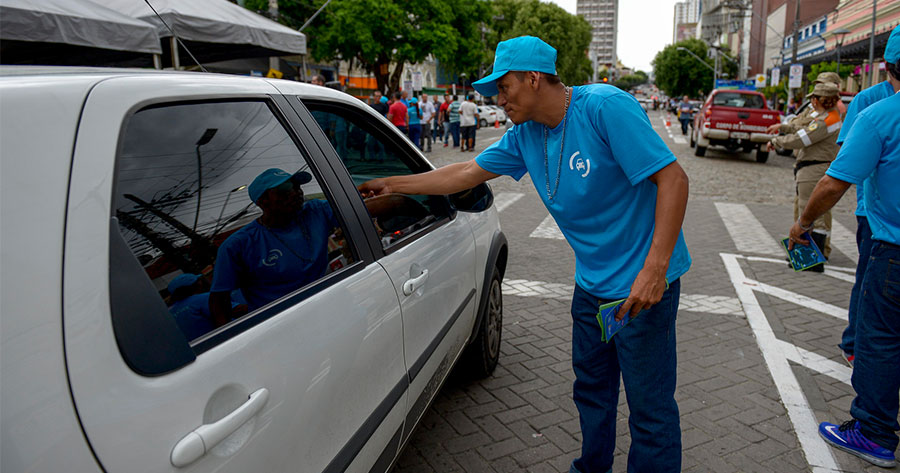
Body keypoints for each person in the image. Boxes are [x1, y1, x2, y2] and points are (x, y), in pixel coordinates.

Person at [359, 35, 691, 473]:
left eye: (504, 88)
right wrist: (393, 184)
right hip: (591, 287)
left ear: (534, 78)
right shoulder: (525, 135)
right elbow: (465, 172)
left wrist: (655, 269)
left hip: (641, 290)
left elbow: (673, 180)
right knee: (592, 391)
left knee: (649, 410)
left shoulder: (603, 107)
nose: (499, 100)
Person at [789, 56, 900, 470]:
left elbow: (834, 182)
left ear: (888, 65)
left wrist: (802, 223)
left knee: (880, 341)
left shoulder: (878, 115)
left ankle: (873, 434)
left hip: (892, 248)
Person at [836, 24, 900, 367]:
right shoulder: (869, 100)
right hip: (873, 215)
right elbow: (846, 160)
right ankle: (854, 342)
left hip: (887, 226)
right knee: (868, 282)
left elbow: (838, 176)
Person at [209, 169, 338, 326]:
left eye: (297, 185)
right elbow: (219, 301)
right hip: (280, 326)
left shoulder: (315, 211)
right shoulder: (238, 245)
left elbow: (361, 206)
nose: (296, 192)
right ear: (263, 202)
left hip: (330, 306)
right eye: (285, 189)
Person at [768, 82, 842, 270]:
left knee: (810, 213)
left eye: (814, 98)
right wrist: (784, 129)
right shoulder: (829, 117)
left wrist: (776, 141)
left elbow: (802, 138)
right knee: (809, 211)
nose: (812, 102)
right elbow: (800, 129)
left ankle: (810, 260)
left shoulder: (826, 121)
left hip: (813, 169)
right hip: (813, 168)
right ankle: (806, 257)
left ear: (819, 100)